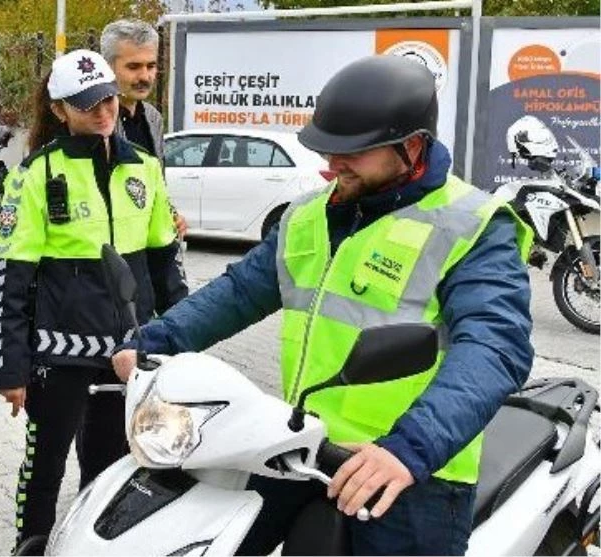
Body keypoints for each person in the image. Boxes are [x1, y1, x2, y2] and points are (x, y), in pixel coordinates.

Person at [112, 55, 534, 556]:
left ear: (412, 146)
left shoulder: (472, 225)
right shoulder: (310, 214)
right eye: (328, 150)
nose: (331, 165)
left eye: (350, 154)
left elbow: (494, 346)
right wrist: (153, 343)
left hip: (410, 471)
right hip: (300, 446)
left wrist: (408, 449)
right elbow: (241, 291)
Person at [0, 48, 188, 549]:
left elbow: (166, 265)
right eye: (87, 103)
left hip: (129, 353)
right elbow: (5, 279)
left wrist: (186, 338)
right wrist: (7, 368)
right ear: (59, 110)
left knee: (113, 463)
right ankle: (30, 545)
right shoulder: (35, 174)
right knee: (45, 462)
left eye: (108, 99)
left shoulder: (145, 167)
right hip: (59, 355)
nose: (103, 111)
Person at [100, 19, 188, 238]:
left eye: (151, 66)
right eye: (133, 67)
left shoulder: (153, 117)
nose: (145, 77)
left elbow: (157, 182)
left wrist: (171, 214)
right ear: (107, 66)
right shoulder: (92, 119)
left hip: (146, 247)